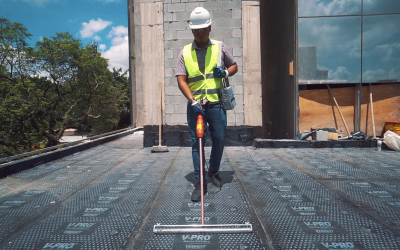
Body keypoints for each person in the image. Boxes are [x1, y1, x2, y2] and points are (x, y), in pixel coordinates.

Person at [175, 7, 238, 202]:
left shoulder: (220, 47)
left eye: (203, 29)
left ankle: (213, 171)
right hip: (196, 106)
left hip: (217, 104)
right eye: (196, 30)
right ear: (191, 30)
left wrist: (226, 73)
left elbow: (233, 65)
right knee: (197, 143)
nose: (200, 32)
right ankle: (200, 182)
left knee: (219, 138)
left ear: (209, 27)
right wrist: (192, 100)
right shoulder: (184, 52)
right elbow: (181, 80)